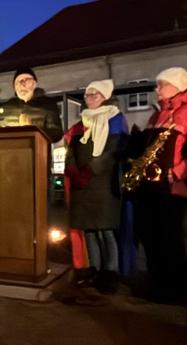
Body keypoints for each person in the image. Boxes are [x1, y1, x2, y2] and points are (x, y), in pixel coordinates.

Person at [129, 67, 187, 302]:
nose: (156, 88)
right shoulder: (157, 114)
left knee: (169, 237)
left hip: (173, 187)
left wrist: (181, 171)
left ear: (177, 86)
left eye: (161, 84)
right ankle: (157, 283)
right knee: (149, 235)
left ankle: (176, 287)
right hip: (149, 186)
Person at [64, 80, 128, 294]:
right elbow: (71, 150)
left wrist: (91, 170)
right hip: (82, 186)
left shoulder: (115, 119)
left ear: (105, 97)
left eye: (95, 95)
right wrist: (73, 171)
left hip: (102, 185)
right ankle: (94, 269)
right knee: (89, 230)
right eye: (87, 95)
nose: (90, 99)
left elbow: (113, 150)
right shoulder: (80, 123)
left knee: (106, 230)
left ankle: (110, 272)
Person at [0, 68, 63, 143]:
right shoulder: (7, 107)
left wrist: (32, 130)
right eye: (18, 82)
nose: (22, 85)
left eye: (26, 81)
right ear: (14, 87)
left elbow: (56, 134)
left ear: (34, 84)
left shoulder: (47, 105)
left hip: (38, 152)